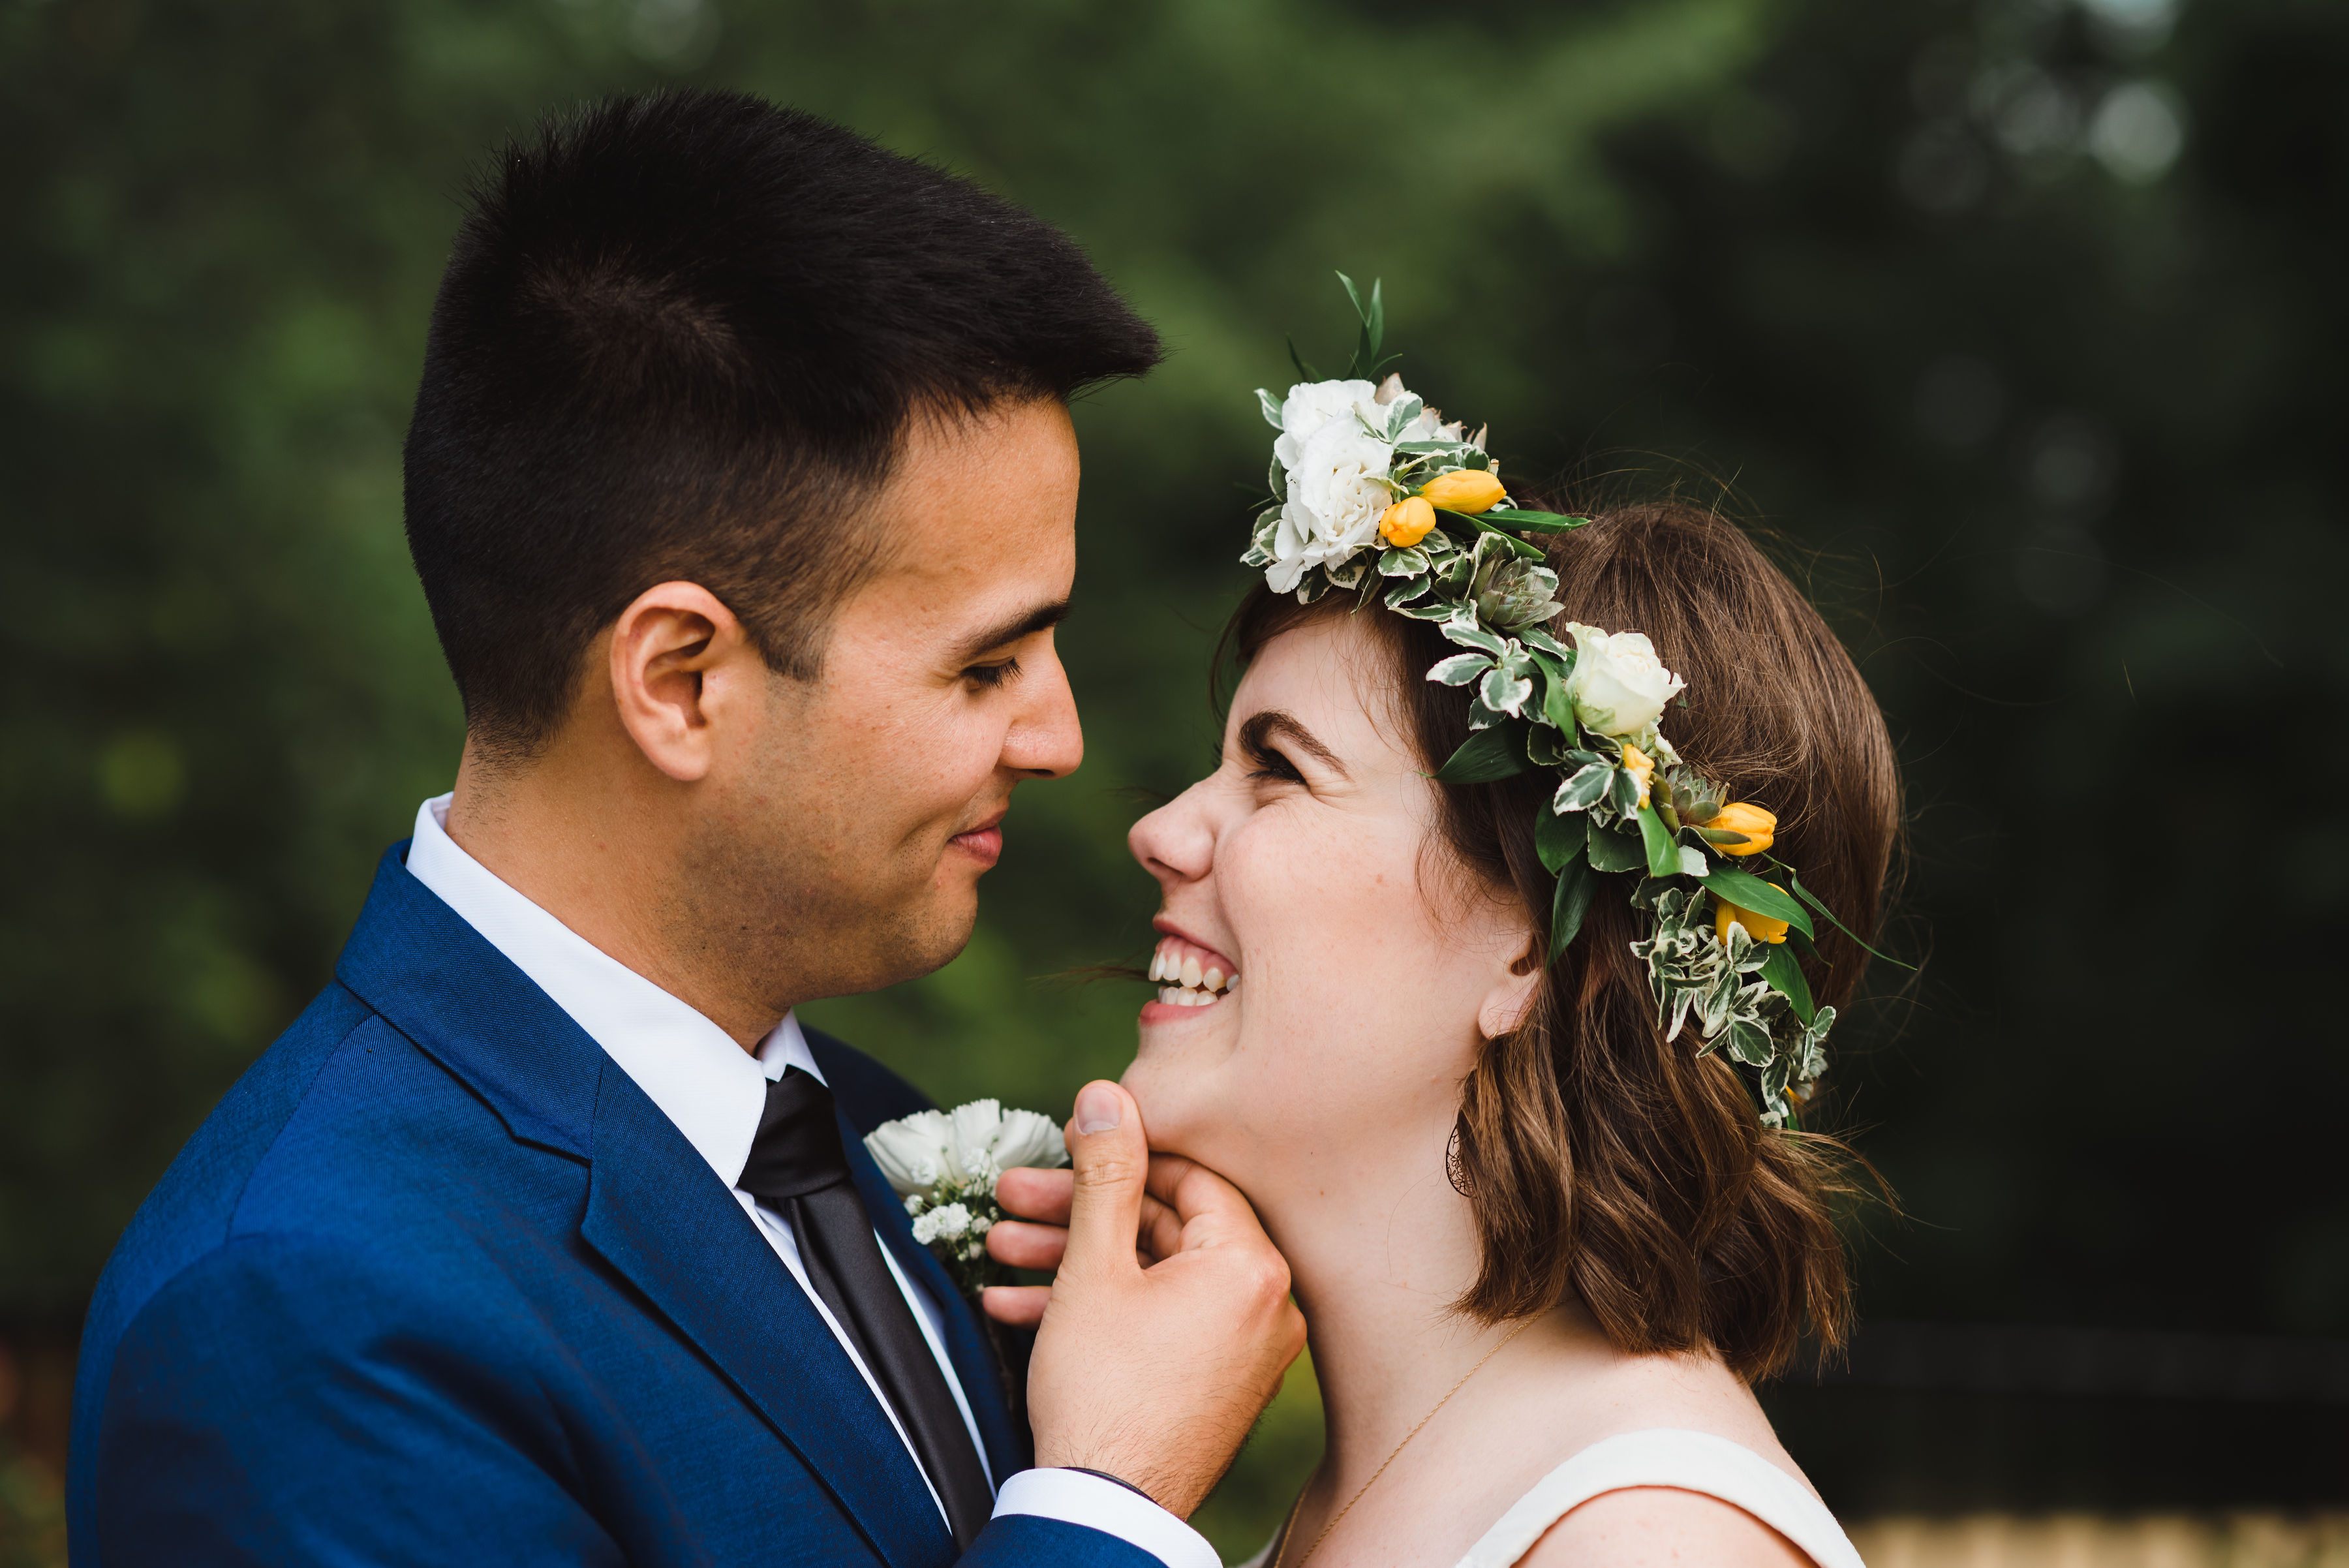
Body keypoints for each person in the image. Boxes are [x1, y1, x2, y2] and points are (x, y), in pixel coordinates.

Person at [66, 91, 1304, 1568]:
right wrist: (1105, 1496)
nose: (1059, 738)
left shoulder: (859, 1125)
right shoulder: (302, 1311)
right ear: (680, 679)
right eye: (985, 664)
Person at [1106, 352, 1901, 1566]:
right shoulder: (1368, 1490)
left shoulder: (1646, 1545)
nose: (1159, 833)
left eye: (1280, 768)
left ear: (1536, 948)